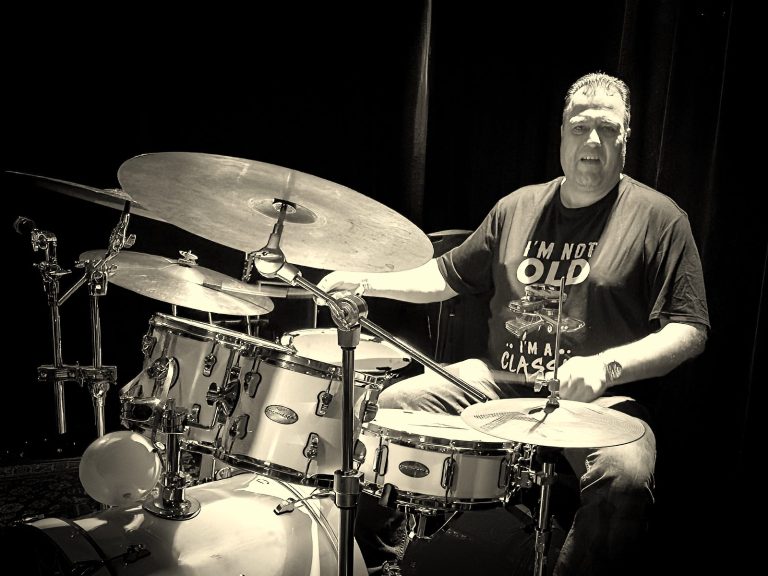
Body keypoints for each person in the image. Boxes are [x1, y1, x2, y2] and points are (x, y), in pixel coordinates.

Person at [317, 71, 709, 575]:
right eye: (580, 126)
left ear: (625, 138)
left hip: (602, 402)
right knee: (389, 407)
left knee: (624, 475)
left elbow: (689, 330)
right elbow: (443, 276)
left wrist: (606, 367)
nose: (592, 140)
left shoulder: (660, 219)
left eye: (607, 128)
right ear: (562, 132)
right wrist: (365, 281)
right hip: (498, 382)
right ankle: (381, 561)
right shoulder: (517, 208)